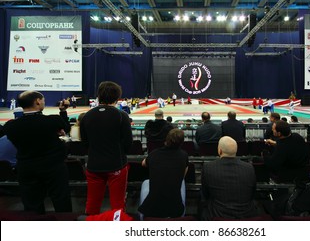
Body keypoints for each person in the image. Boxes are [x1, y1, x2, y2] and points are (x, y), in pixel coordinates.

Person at [3, 91, 72, 214]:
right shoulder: (53, 121)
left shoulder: (10, 126)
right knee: (61, 202)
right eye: (43, 100)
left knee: (32, 205)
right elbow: (66, 128)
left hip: (26, 168)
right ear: (38, 101)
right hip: (53, 167)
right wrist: (63, 111)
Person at [80, 81, 133, 215]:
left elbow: (85, 143)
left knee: (92, 203)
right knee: (117, 204)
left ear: (99, 95)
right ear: (117, 97)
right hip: (116, 165)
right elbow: (128, 143)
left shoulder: (87, 116)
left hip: (94, 165)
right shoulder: (121, 116)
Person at [201, 136, 259, 220]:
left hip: (217, 214)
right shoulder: (249, 167)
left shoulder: (208, 167)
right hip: (246, 214)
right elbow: (252, 193)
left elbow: (206, 194)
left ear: (219, 151)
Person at [138, 129, 188, 219]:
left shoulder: (154, 154)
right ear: (181, 142)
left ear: (166, 140)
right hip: (175, 209)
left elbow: (143, 163)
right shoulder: (183, 155)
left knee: (146, 182)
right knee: (182, 182)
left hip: (152, 208)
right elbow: (182, 175)